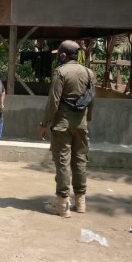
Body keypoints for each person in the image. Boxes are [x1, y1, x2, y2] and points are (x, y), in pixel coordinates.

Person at [39, 40, 95, 218]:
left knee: (63, 162)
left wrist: (44, 123)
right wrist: (87, 119)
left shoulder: (60, 72)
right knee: (80, 161)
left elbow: (53, 101)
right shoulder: (89, 72)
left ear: (63, 55)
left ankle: (62, 204)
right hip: (81, 124)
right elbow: (92, 99)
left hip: (62, 124)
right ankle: (80, 202)